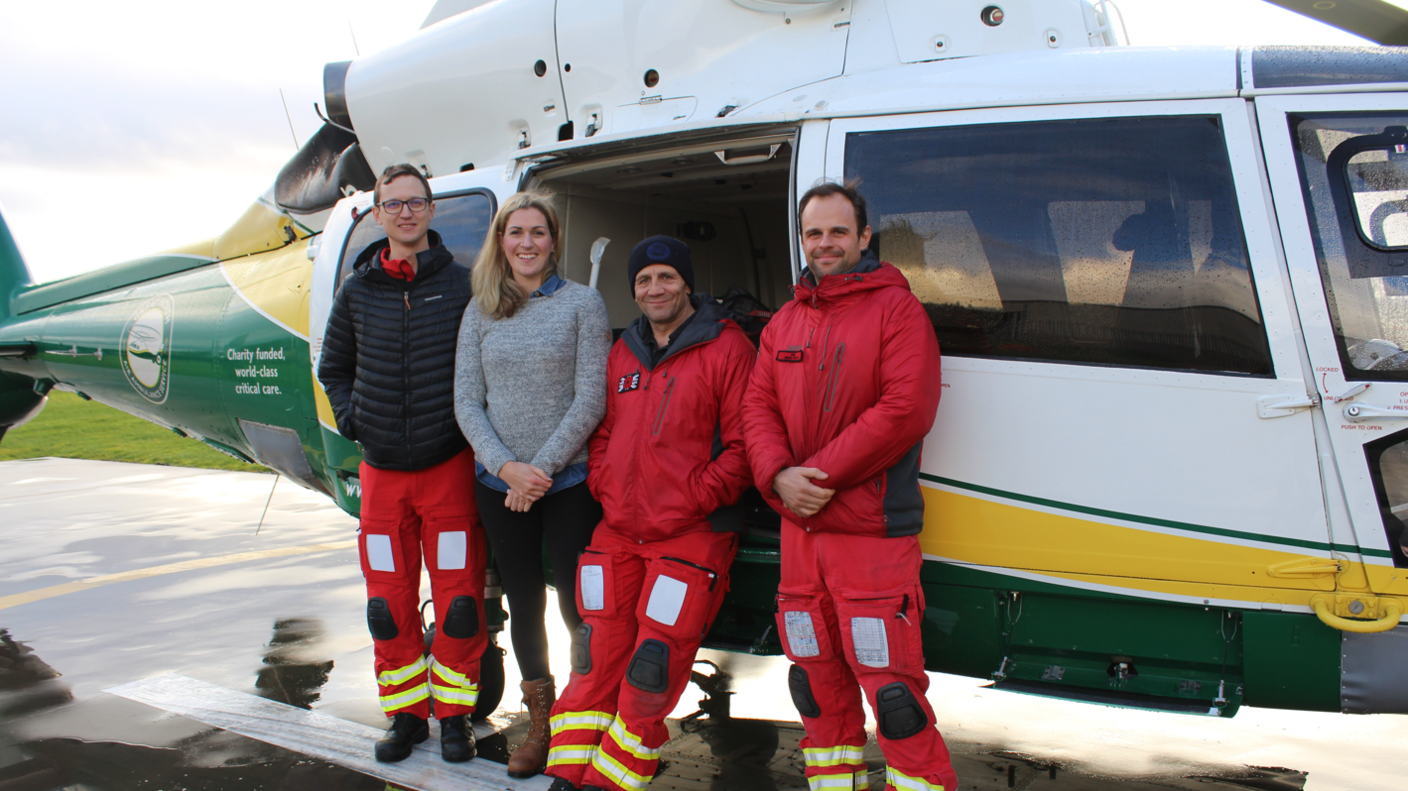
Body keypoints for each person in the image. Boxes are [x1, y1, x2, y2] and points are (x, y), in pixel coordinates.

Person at [741, 182, 957, 791]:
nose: (826, 243)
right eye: (815, 233)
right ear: (803, 240)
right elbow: (756, 409)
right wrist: (777, 477)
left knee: (892, 692)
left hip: (869, 532)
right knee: (814, 684)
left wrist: (817, 479)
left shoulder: (897, 310)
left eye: (839, 231)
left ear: (864, 237)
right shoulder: (784, 320)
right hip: (800, 535)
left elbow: (905, 410)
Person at [544, 236, 756, 791]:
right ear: (633, 290)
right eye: (644, 280)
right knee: (592, 657)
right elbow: (604, 431)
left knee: (651, 667)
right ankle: (566, 775)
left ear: (686, 283)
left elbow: (743, 447)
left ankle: (610, 781)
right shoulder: (624, 350)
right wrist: (607, 485)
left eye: (666, 277)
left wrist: (690, 498)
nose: (655, 288)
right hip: (618, 528)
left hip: (692, 533)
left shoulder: (728, 348)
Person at [318, 163, 486, 764]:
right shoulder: (358, 292)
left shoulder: (464, 286)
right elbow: (332, 366)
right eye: (394, 204)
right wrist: (355, 420)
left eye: (416, 202)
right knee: (387, 607)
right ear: (379, 213)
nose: (406, 212)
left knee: (460, 602)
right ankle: (406, 717)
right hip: (383, 476)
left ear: (431, 210)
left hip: (448, 471)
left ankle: (456, 719)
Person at [454, 191, 611, 778]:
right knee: (523, 600)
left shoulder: (582, 305)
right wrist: (505, 469)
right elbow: (467, 402)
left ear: (553, 242)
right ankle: (542, 721)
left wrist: (538, 472)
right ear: (501, 241)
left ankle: (587, 714)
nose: (527, 243)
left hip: (566, 481)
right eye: (515, 232)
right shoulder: (480, 311)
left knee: (577, 602)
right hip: (500, 485)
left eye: (538, 233)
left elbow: (589, 398)